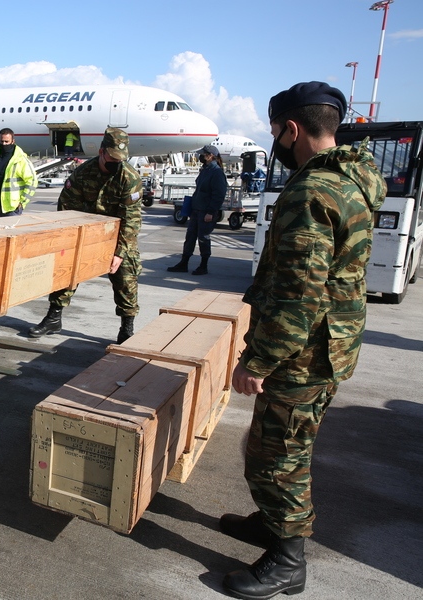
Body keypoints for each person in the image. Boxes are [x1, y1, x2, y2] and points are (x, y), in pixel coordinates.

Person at [220, 82, 385, 599]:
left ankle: (287, 561)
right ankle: (274, 525)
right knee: (285, 445)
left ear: (292, 129)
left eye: (276, 134)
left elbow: (299, 293)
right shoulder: (355, 179)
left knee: (277, 455)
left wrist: (259, 360)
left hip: (303, 351)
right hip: (330, 345)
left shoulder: (311, 193)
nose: (276, 145)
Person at [28, 128, 143, 344]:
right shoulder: (82, 174)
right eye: (112, 157)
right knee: (66, 268)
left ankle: (127, 328)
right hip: (87, 231)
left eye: (120, 159)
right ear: (101, 152)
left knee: (126, 275)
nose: (116, 162)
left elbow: (132, 220)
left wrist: (119, 253)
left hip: (118, 235)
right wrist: (70, 240)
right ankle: (54, 317)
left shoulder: (130, 178)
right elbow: (66, 207)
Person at [166, 144, 228, 275]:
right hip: (196, 210)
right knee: (190, 237)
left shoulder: (216, 173)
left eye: (203, 154)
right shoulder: (205, 170)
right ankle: (184, 263)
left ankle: (203, 265)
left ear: (210, 156)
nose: (200, 157)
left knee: (203, 238)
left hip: (205, 212)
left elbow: (219, 195)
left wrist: (211, 212)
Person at [0, 128, 37, 218]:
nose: (4, 144)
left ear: (13, 141)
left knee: (10, 231)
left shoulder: (20, 159)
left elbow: (32, 181)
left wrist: (23, 202)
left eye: (7, 142)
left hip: (12, 206)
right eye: (2, 141)